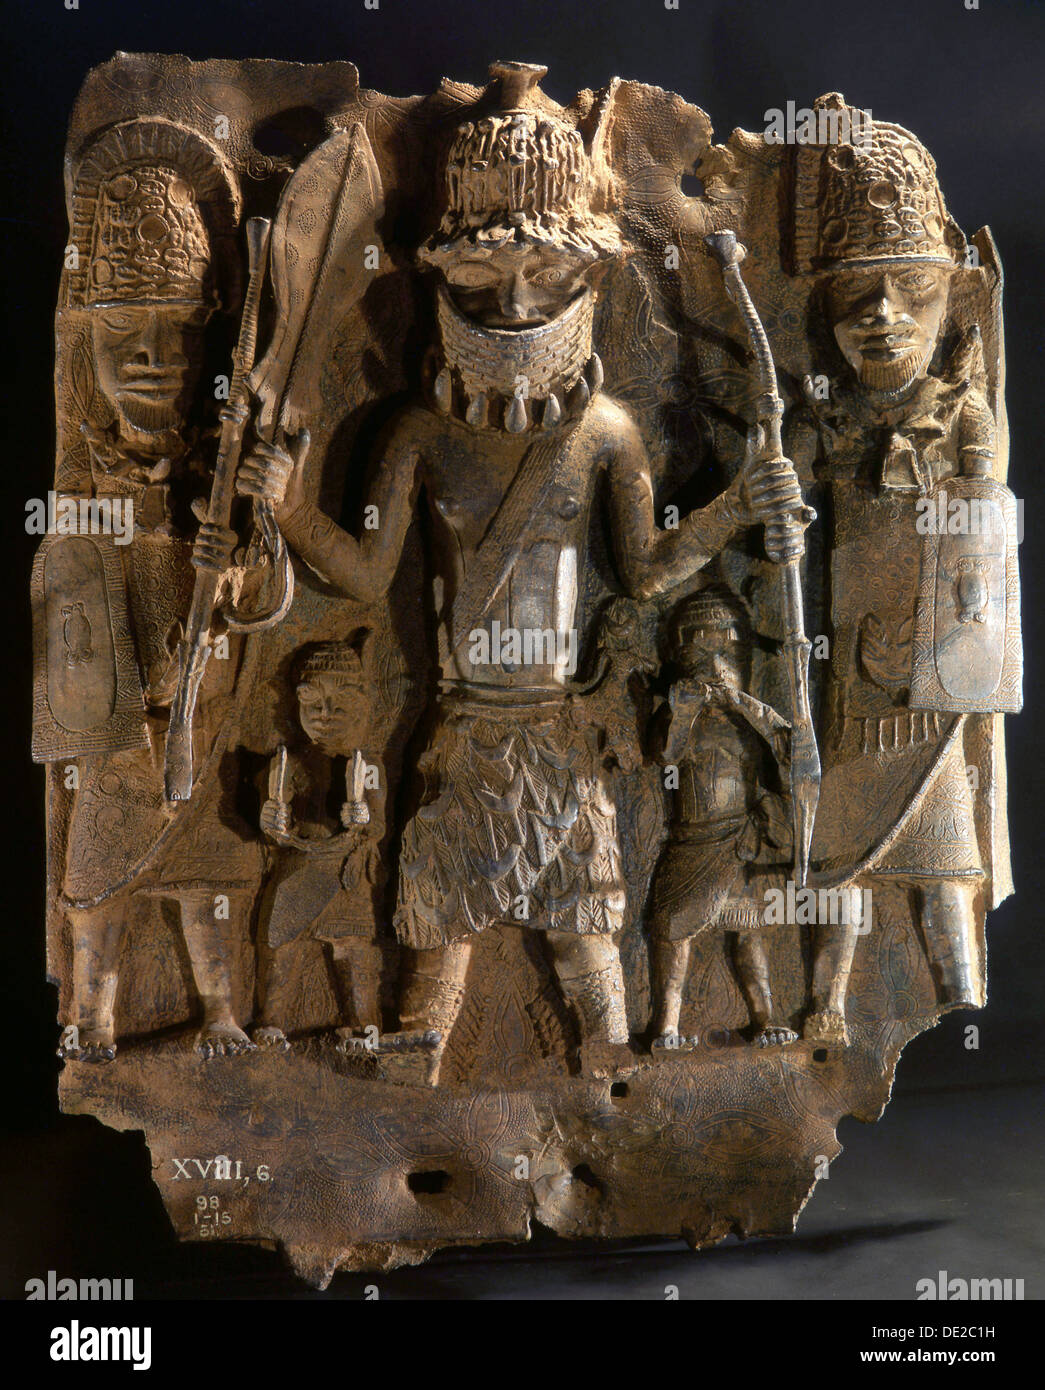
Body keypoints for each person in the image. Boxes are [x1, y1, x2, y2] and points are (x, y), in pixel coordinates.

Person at [237, 63, 806, 1082]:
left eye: (544, 277)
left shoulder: (603, 433)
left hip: (552, 722)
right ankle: (418, 1058)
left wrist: (732, 509)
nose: (512, 303)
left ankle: (611, 1060)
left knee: (586, 923)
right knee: (440, 914)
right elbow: (365, 578)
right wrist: (285, 509)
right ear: (436, 280)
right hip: (463, 723)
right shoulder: (415, 431)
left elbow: (639, 575)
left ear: (588, 276)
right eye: (481, 281)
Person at [647, 588, 797, 1050]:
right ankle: (666, 1027)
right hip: (692, 840)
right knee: (672, 927)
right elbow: (664, 754)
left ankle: (765, 1016)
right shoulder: (679, 715)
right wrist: (684, 708)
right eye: (702, 652)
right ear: (681, 655)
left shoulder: (750, 719)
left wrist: (745, 705)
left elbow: (791, 756)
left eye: (725, 652)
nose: (715, 665)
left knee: (748, 929)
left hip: (739, 839)